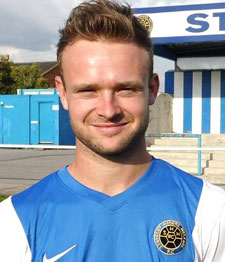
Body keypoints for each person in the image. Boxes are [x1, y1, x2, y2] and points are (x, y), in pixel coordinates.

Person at [0, 0, 225, 261]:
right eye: (88, 90)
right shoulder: (15, 221)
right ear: (62, 92)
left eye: (125, 88)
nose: (108, 109)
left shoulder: (210, 211)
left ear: (152, 89)